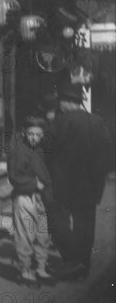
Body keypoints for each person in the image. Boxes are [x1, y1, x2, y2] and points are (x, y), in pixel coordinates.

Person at [46, 82, 113, 281]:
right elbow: (109, 151)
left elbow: (47, 151)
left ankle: (72, 260)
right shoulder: (97, 121)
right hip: (92, 183)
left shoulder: (60, 122)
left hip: (65, 184)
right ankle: (82, 264)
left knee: (58, 220)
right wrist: (99, 173)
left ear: (66, 102)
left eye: (61, 102)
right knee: (86, 223)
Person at [8, 116, 54, 285]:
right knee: (25, 235)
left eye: (38, 135)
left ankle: (41, 267)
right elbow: (14, 176)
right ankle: (26, 270)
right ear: (24, 133)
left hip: (41, 198)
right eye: (30, 134)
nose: (34, 138)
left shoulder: (39, 151)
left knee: (42, 234)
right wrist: (34, 183)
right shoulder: (18, 151)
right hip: (24, 197)